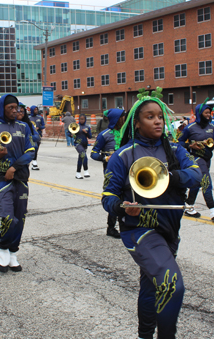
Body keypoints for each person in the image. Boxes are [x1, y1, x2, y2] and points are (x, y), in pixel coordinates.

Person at [102, 88, 202, 339]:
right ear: (137, 123)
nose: (158, 120)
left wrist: (170, 177)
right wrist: (120, 207)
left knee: (151, 286)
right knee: (171, 285)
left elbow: (197, 175)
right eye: (150, 116)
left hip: (170, 228)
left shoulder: (176, 150)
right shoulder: (122, 156)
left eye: (160, 116)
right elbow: (108, 196)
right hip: (139, 230)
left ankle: (144, 335)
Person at [0, 94, 35, 273]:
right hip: (2, 177)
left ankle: (13, 252)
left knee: (20, 219)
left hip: (20, 176)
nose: (14, 111)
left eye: (16, 107)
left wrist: (14, 167)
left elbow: (30, 151)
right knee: (7, 217)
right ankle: (3, 247)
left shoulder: (24, 126)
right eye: (10, 108)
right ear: (2, 108)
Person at [178, 103, 214, 222]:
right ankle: (212, 210)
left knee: (197, 183)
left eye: (209, 113)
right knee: (206, 181)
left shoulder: (212, 127)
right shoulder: (190, 128)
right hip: (196, 157)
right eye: (206, 113)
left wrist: (211, 144)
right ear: (200, 114)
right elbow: (179, 142)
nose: (208, 115)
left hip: (207, 157)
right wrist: (191, 145)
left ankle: (188, 207)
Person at [90, 108, 126, 239]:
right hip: (111, 171)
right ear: (117, 119)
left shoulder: (128, 134)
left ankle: (125, 226)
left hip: (127, 169)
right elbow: (93, 154)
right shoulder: (104, 135)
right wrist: (105, 158)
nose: (125, 119)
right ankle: (111, 228)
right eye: (123, 117)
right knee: (114, 196)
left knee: (126, 196)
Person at [73, 114, 92, 179]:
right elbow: (70, 133)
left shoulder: (87, 126)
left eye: (83, 119)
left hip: (84, 144)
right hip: (78, 143)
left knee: (81, 158)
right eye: (80, 119)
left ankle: (78, 173)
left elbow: (90, 136)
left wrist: (86, 132)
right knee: (83, 155)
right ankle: (86, 170)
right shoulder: (76, 126)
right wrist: (72, 134)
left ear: (85, 119)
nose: (81, 120)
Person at [29, 105, 45, 170]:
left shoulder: (40, 117)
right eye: (35, 109)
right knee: (33, 148)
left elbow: (44, 125)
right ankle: (34, 162)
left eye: (36, 109)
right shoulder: (28, 118)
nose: (36, 111)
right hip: (31, 135)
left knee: (36, 148)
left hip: (38, 134)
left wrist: (39, 127)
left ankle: (34, 162)